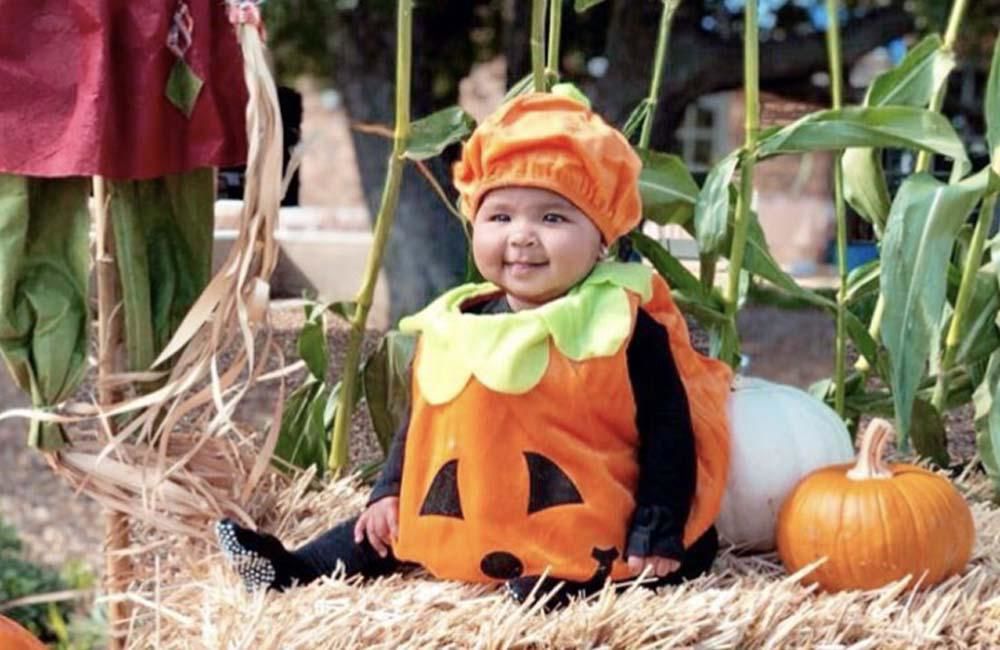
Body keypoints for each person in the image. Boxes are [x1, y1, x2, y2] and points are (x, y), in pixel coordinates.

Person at [217, 92, 732, 609]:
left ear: (602, 239)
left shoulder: (621, 324)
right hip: (469, 503)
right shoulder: (456, 323)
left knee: (667, 551)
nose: (522, 237)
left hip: (585, 508)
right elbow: (424, 423)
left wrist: (658, 525)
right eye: (500, 217)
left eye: (553, 219)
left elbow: (669, 428)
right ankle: (294, 568)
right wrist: (389, 491)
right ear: (474, 224)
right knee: (378, 532)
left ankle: (567, 586)